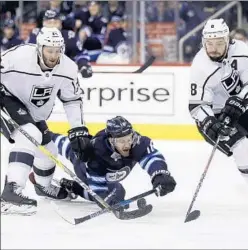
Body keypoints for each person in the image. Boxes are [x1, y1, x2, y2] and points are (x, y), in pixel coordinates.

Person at [0, 27, 92, 215]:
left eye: (57, 50)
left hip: (31, 110)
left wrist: (78, 128)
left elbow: (72, 99)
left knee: (49, 151)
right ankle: (11, 192)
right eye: (49, 50)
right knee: (30, 134)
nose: (53, 55)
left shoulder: (68, 68)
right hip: (6, 98)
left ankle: (43, 186)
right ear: (39, 48)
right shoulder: (17, 56)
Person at [188, 19, 248, 210]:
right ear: (203, 42)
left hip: (239, 105)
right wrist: (210, 122)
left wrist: (240, 100)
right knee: (243, 147)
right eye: (209, 43)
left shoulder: (241, 51)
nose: (213, 49)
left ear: (227, 40)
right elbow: (196, 105)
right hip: (212, 114)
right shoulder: (200, 66)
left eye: (218, 43)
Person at [51, 116, 177, 206]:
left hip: (110, 175)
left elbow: (151, 157)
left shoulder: (137, 143)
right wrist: (106, 198)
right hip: (84, 169)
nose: (127, 144)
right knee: (67, 147)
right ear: (111, 140)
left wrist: (159, 174)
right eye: (121, 141)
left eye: (129, 139)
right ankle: (76, 187)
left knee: (115, 190)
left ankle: (72, 186)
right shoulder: (97, 152)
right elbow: (97, 190)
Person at [27, 10, 92, 78]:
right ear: (43, 24)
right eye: (49, 22)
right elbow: (26, 56)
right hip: (39, 76)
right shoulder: (35, 35)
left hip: (62, 76)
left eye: (55, 22)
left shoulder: (69, 36)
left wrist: (83, 65)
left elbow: (80, 54)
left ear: (61, 24)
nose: (52, 26)